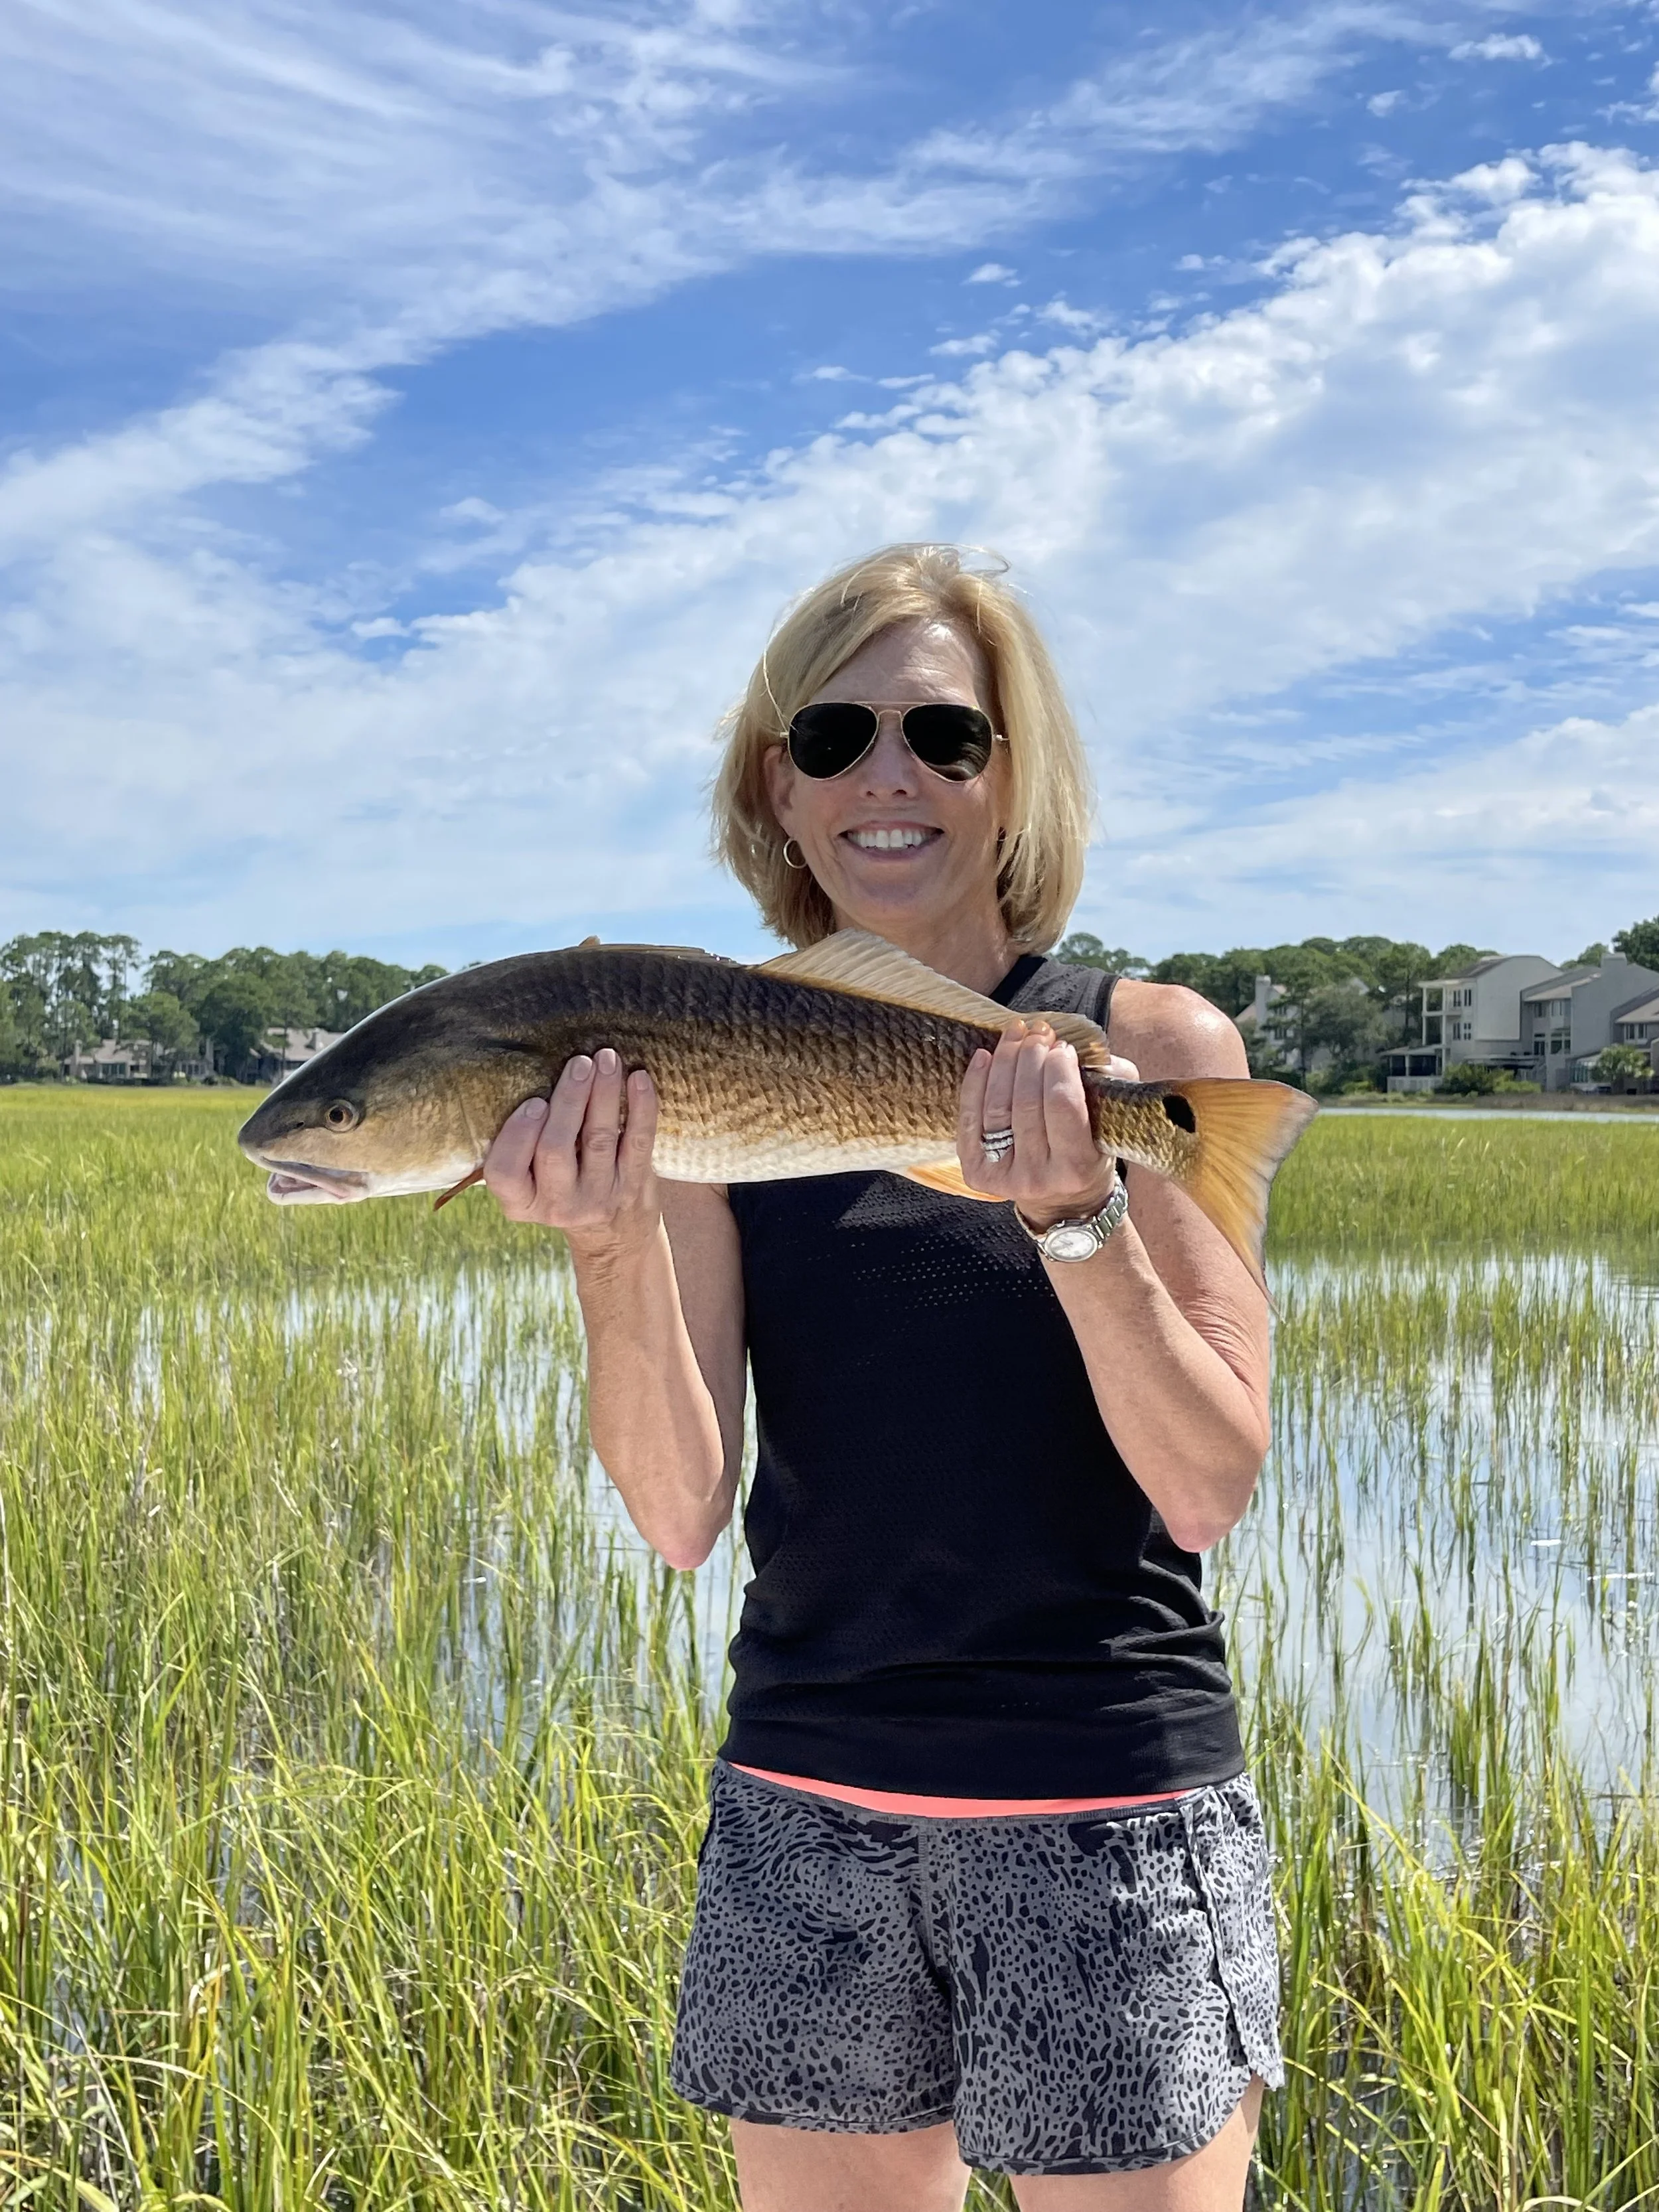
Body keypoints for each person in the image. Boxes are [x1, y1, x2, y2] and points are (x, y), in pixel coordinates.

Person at [482, 544, 1283, 2211]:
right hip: (800, 1805)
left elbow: (1205, 1482)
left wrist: (1078, 1218)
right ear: (778, 786)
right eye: (833, 739)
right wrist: (608, 1239)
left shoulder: (1145, 1048)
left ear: (1012, 770)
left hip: (1102, 1804)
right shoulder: (692, 1058)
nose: (889, 776)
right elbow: (679, 1511)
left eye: (944, 733)